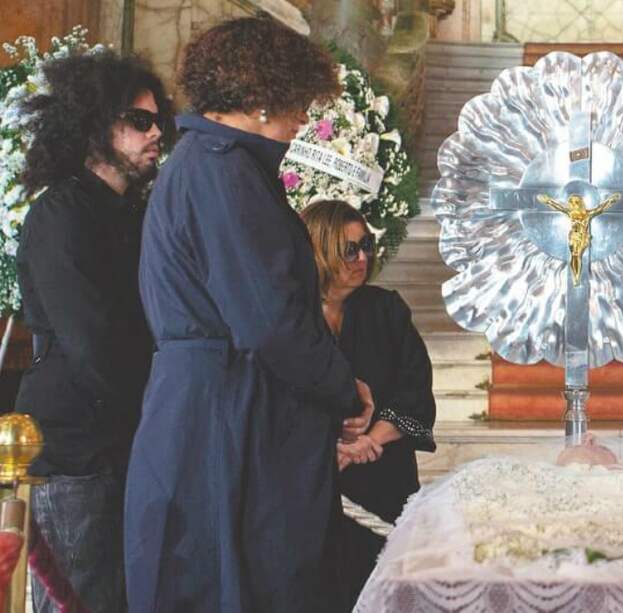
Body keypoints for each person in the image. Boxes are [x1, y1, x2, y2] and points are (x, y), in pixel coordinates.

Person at [122, 16, 374, 613]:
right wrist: (343, 389)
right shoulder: (223, 170)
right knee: (239, 582)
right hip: (227, 416)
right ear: (263, 99)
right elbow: (268, 321)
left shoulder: (205, 163)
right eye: (297, 105)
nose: (300, 123)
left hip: (213, 404)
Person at [14, 51, 174, 612]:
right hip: (77, 449)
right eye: (139, 120)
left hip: (125, 441)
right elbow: (96, 343)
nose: (156, 132)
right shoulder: (61, 214)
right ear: (94, 124)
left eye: (159, 121)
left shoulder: (131, 212)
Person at [300, 200, 436, 608]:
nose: (362, 259)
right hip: (315, 479)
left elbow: (415, 390)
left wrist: (370, 440)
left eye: (366, 247)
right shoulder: (292, 317)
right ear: (319, 249)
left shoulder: (385, 309)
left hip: (384, 479)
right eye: (349, 249)